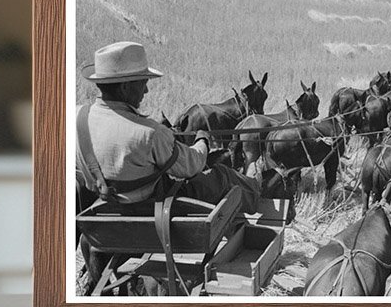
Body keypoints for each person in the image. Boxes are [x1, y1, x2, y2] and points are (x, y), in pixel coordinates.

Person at [75, 40, 258, 212]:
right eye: (143, 83)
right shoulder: (149, 133)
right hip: (150, 208)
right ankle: (257, 191)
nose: (146, 90)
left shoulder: (77, 117)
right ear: (124, 87)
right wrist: (202, 141)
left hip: (103, 207)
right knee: (221, 176)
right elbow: (191, 166)